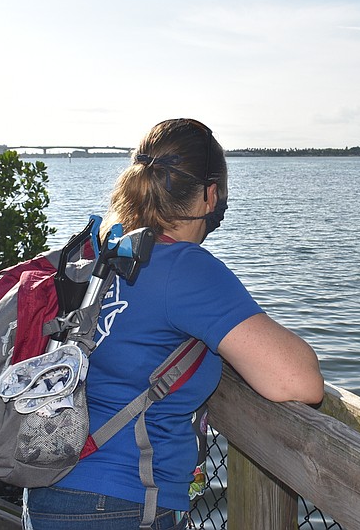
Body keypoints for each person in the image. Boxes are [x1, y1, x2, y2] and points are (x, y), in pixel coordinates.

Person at [23, 119, 324, 530]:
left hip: (44, 487)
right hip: (119, 505)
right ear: (210, 195)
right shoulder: (185, 267)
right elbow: (298, 381)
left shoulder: (99, 250)